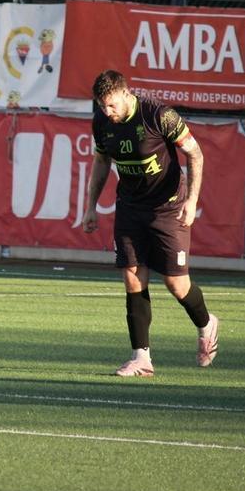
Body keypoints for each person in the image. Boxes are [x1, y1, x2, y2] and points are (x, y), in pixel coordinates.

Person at [82, 70, 219, 376]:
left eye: (112, 106)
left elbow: (195, 154)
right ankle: (141, 358)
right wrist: (90, 207)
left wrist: (192, 200)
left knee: (176, 284)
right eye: (102, 106)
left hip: (167, 208)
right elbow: (102, 161)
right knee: (132, 276)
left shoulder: (159, 116)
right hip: (130, 207)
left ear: (125, 94)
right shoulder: (102, 123)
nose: (107, 112)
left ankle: (207, 323)